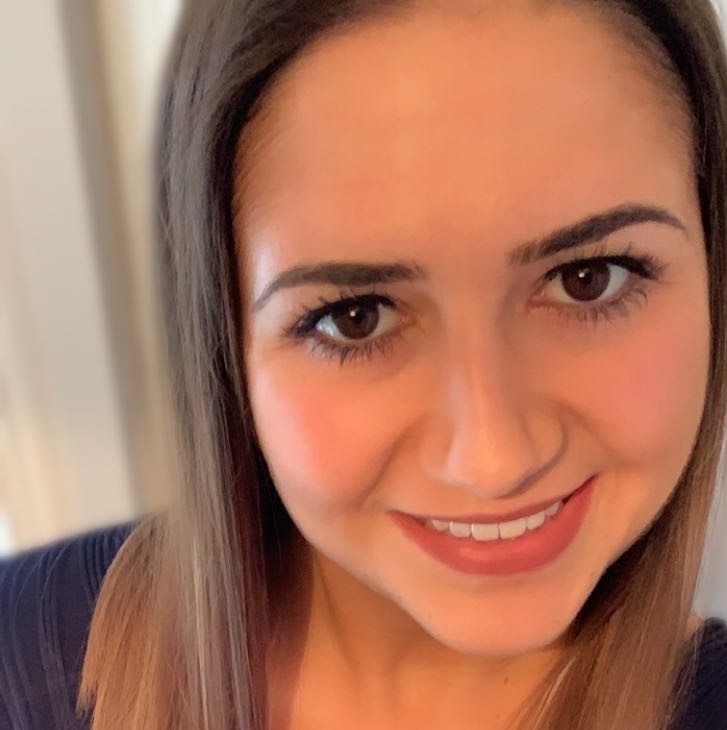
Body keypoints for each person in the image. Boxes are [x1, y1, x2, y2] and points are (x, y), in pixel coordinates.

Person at [2, 0, 727, 728]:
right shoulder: (25, 657)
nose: (492, 461)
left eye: (588, 280)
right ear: (226, 343)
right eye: (356, 318)